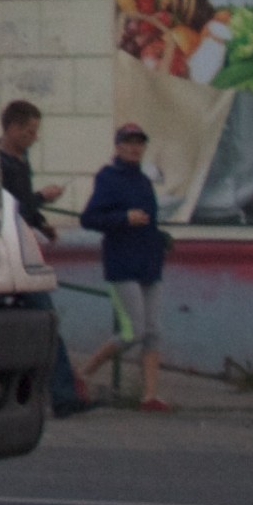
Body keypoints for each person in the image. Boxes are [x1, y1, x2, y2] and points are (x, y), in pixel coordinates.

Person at [0, 101, 87, 418]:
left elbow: (24, 210)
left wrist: (41, 223)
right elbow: (7, 208)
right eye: (28, 131)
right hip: (6, 255)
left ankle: (61, 394)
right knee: (41, 318)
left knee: (44, 321)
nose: (33, 138)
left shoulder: (21, 162)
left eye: (35, 132)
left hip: (23, 250)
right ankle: (57, 394)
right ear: (10, 128)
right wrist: (40, 199)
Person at [76, 123, 171, 411]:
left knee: (153, 331)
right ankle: (82, 374)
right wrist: (123, 218)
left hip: (148, 262)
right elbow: (89, 219)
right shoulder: (109, 177)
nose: (134, 148)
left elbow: (147, 220)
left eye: (139, 143)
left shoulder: (143, 180)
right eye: (128, 143)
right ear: (117, 147)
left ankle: (149, 396)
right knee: (133, 332)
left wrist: (161, 238)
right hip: (122, 265)